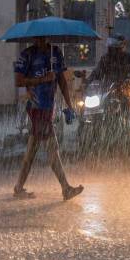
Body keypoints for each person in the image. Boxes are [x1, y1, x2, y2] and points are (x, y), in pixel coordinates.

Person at [13, 37, 83, 201]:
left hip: (48, 107)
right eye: (36, 38)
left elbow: (62, 82)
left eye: (42, 37)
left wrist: (69, 105)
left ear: (47, 37)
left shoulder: (56, 53)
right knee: (53, 148)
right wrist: (42, 79)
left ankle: (18, 187)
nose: (39, 40)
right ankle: (65, 188)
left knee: (32, 151)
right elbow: (18, 81)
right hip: (36, 108)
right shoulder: (27, 55)